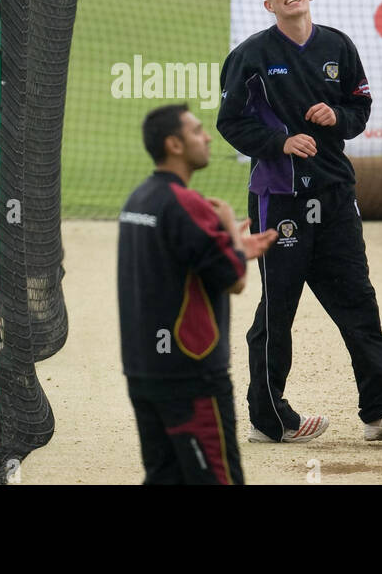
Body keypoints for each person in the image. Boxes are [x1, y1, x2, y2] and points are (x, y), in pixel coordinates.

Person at [217, 0, 382, 445]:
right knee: (277, 310)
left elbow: (360, 108)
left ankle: (381, 412)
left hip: (334, 198)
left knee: (359, 303)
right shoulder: (250, 56)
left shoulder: (339, 46)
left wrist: (339, 116)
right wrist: (281, 142)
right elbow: (231, 122)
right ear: (269, 5)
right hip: (279, 200)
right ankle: (271, 420)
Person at [118, 104, 276, 484]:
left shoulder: (137, 201)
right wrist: (228, 232)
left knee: (164, 477)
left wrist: (233, 244)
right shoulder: (190, 206)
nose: (206, 138)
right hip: (191, 376)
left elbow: (180, 263)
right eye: (196, 131)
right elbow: (234, 279)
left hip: (144, 371)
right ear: (174, 144)